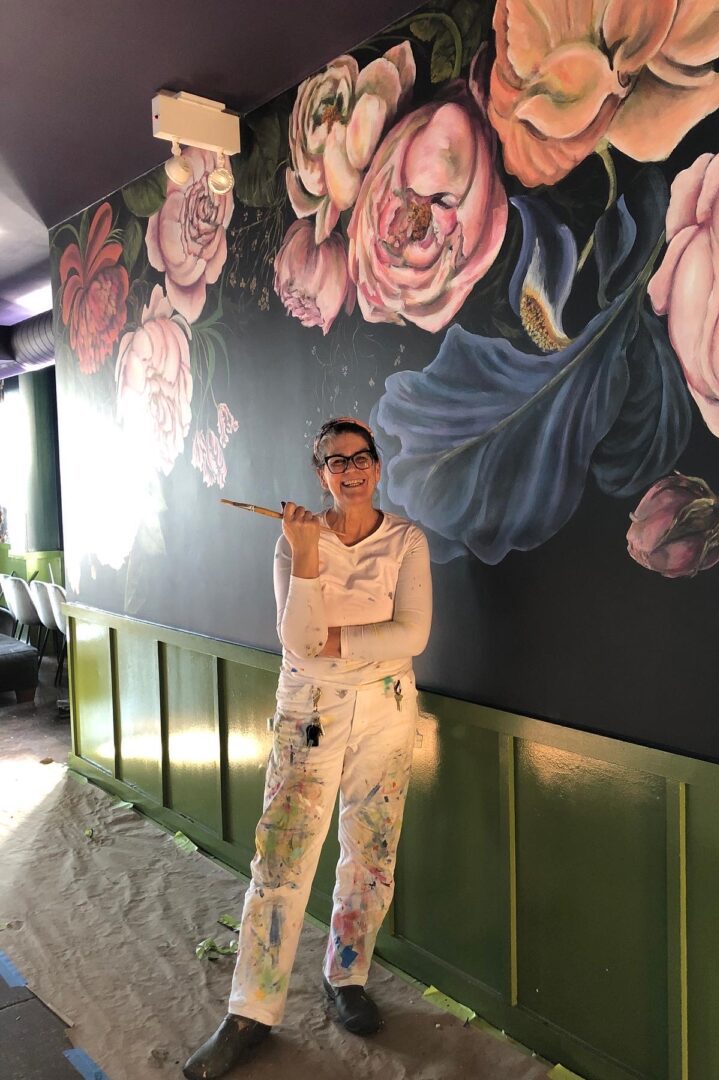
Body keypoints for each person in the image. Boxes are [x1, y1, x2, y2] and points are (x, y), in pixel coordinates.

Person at [183, 417, 432, 1079]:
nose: (350, 470)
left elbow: (412, 634)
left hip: (387, 708)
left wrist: (336, 641)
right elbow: (298, 639)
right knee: (284, 852)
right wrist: (306, 554)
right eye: (335, 461)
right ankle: (250, 1011)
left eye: (360, 457)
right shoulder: (294, 540)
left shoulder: (407, 540)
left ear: (377, 465)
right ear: (320, 474)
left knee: (371, 849)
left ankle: (346, 974)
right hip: (312, 711)